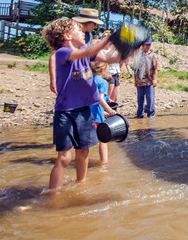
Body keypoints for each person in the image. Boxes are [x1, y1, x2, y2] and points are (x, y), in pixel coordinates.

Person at [41, 18, 128, 192]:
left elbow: (111, 58)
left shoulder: (84, 50)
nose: (83, 32)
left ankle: (81, 185)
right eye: (78, 30)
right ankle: (52, 195)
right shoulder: (62, 53)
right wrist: (110, 38)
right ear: (67, 36)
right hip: (65, 112)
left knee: (83, 152)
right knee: (65, 158)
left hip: (84, 111)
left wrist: (127, 48)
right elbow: (88, 53)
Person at [48, 8, 104, 95]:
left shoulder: (88, 35)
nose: (95, 27)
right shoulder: (70, 33)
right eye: (94, 24)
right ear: (87, 22)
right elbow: (53, 56)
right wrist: (53, 79)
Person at [90, 61, 116, 164]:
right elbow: (100, 99)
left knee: (85, 143)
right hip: (96, 117)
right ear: (104, 70)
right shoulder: (102, 82)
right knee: (103, 140)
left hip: (85, 115)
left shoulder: (88, 80)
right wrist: (109, 110)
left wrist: (103, 111)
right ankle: (104, 163)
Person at [132, 37, 159, 118]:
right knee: (140, 99)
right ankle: (140, 115)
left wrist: (154, 79)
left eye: (149, 45)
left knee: (150, 99)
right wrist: (135, 80)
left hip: (149, 81)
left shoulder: (153, 56)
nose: (148, 46)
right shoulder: (137, 55)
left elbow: (156, 68)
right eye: (146, 45)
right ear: (143, 45)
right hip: (139, 82)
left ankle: (151, 115)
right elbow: (135, 68)